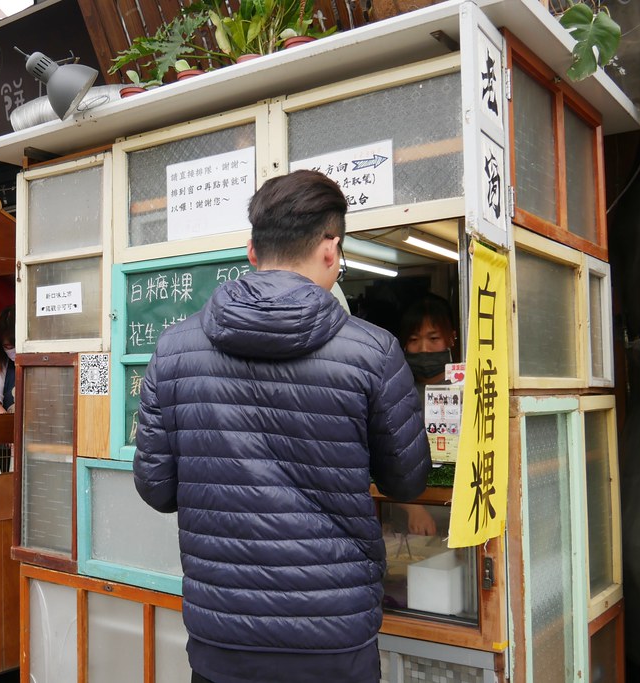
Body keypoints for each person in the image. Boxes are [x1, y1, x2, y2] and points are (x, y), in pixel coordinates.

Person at [133, 170, 431, 683]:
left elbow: (156, 489)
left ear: (252, 251)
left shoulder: (174, 350)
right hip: (333, 638)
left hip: (222, 636)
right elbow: (407, 480)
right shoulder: (373, 352)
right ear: (331, 249)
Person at [397, 294, 458, 536]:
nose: (423, 348)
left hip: (459, 513)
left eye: (433, 338)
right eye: (414, 340)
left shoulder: (471, 388)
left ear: (452, 338)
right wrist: (413, 507)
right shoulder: (394, 390)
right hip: (405, 522)